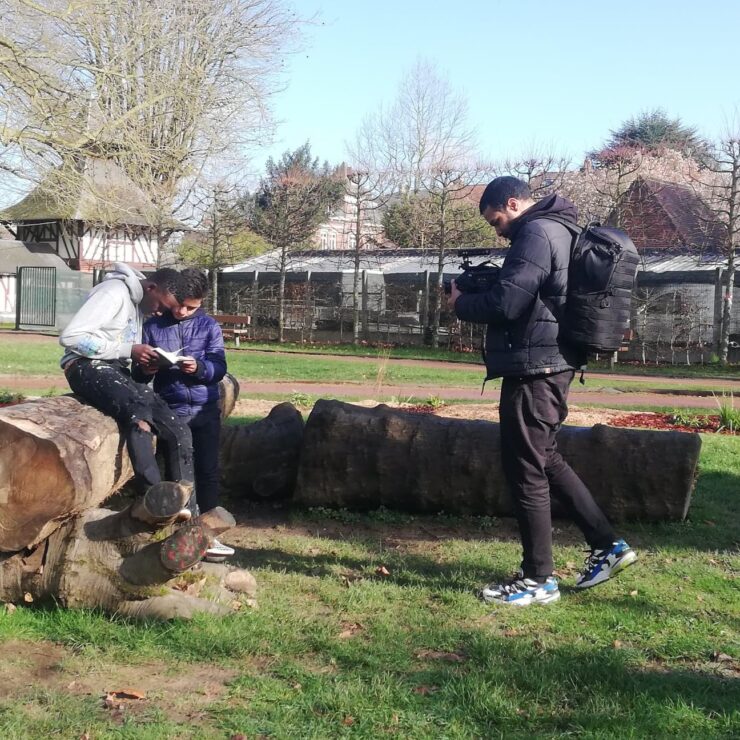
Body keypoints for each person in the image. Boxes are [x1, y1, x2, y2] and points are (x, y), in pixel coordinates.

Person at [448, 176, 637, 606]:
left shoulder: (534, 231)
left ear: (512, 204)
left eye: (496, 221)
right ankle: (608, 545)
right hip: (554, 361)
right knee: (544, 457)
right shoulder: (563, 227)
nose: (497, 231)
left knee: (525, 469)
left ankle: (539, 579)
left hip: (537, 366)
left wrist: (460, 302)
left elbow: (506, 304)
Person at [60, 263, 195, 515]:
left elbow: (124, 358)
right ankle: (156, 500)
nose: (159, 313)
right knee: (138, 410)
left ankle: (188, 512)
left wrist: (145, 368)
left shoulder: (139, 305)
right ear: (151, 288)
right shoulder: (113, 292)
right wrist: (128, 350)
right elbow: (71, 337)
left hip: (115, 371)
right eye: (162, 307)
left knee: (178, 429)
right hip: (84, 367)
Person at [134, 267, 234, 562]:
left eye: (191, 307)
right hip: (172, 408)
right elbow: (139, 371)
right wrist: (147, 367)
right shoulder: (153, 326)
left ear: (201, 302)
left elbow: (219, 365)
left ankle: (208, 533)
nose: (181, 311)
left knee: (207, 471)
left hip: (204, 409)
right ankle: (178, 530)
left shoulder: (208, 327)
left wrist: (201, 368)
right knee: (178, 472)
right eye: (178, 304)